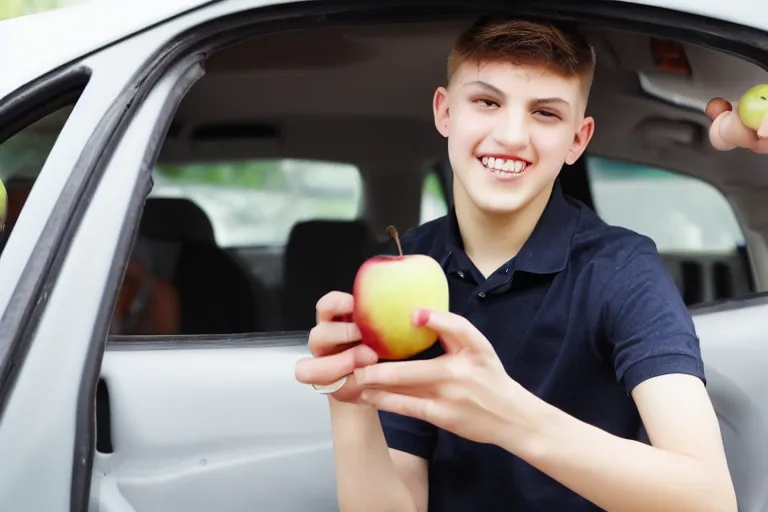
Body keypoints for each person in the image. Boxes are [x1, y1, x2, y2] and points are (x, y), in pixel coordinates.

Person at [294, 16, 738, 511]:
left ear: (577, 139)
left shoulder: (621, 268)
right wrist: (348, 401)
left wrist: (508, 416)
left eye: (545, 113)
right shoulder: (409, 270)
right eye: (486, 102)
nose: (510, 135)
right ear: (445, 112)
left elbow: (710, 500)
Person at [1, 176, 180, 335]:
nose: (13, 233)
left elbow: (169, 348)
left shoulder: (139, 281)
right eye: (7, 222)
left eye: (23, 220)